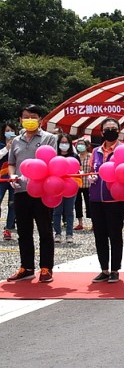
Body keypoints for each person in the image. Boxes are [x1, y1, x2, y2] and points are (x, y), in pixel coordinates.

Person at [6, 105, 58, 282]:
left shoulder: (49, 138)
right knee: (24, 231)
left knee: (45, 230)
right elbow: (11, 163)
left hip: (41, 191)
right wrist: (12, 175)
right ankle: (26, 267)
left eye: (33, 116)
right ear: (20, 120)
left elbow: (52, 162)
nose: (29, 120)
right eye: (26, 117)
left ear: (40, 119)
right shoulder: (16, 141)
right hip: (20, 190)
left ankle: (46, 268)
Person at [88, 118, 124, 283]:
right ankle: (104, 269)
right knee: (100, 236)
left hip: (115, 200)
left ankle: (115, 270)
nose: (110, 131)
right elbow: (92, 169)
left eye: (113, 128)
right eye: (107, 128)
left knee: (115, 235)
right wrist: (91, 177)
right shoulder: (95, 151)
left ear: (119, 131)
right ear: (102, 132)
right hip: (96, 199)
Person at [53, 133, 79, 244]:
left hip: (70, 187)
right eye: (62, 142)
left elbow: (78, 171)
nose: (64, 144)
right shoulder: (54, 156)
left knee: (69, 211)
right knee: (57, 211)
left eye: (66, 142)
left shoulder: (74, 156)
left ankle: (69, 234)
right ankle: (57, 233)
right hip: (56, 187)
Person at [1, 122, 17, 241]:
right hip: (1, 178)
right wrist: (6, 148)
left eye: (11, 130)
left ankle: (9, 229)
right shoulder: (1, 144)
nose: (9, 132)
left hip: (14, 177)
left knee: (12, 204)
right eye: (7, 130)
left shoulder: (18, 143)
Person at [73, 137, 91, 231]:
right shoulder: (76, 156)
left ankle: (93, 223)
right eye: (78, 144)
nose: (80, 146)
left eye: (82, 144)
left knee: (90, 204)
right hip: (78, 184)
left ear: (87, 146)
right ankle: (80, 223)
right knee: (77, 204)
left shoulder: (91, 156)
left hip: (89, 184)